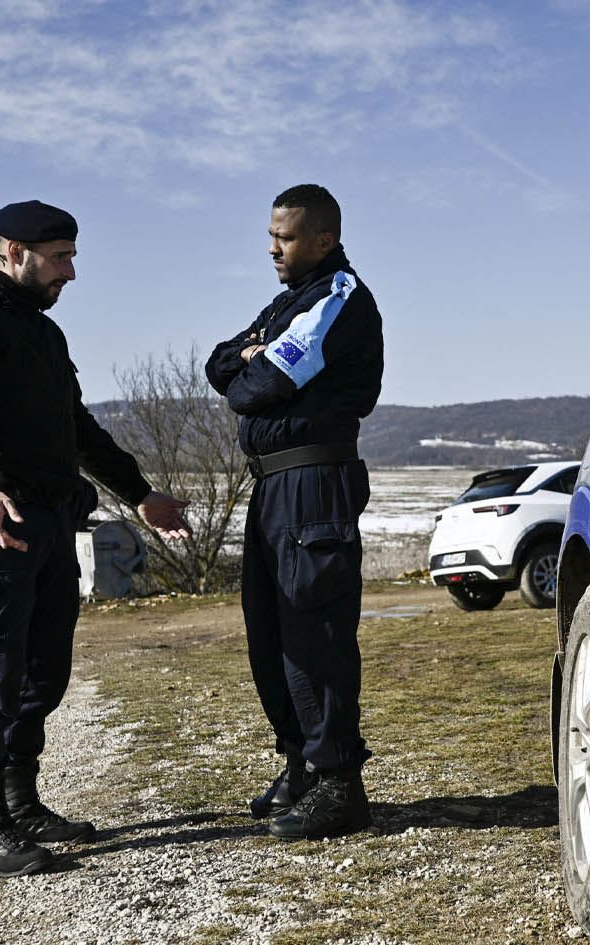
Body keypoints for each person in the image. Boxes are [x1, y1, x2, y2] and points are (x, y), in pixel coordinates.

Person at [0, 199, 190, 877]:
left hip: (51, 523)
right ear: (13, 252)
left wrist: (140, 493)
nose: (70, 272)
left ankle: (21, 800)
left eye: (72, 256)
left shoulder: (42, 332)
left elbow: (78, 428)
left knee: (45, 670)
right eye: (60, 258)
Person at [205, 184, 384, 840]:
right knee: (270, 632)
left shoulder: (338, 298)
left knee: (315, 631)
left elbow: (256, 387)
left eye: (285, 237)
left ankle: (339, 782)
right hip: (273, 484)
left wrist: (254, 361)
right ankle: (302, 762)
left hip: (313, 481)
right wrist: (248, 355)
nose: (272, 248)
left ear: (323, 239)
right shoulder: (289, 303)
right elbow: (219, 364)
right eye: (271, 236)